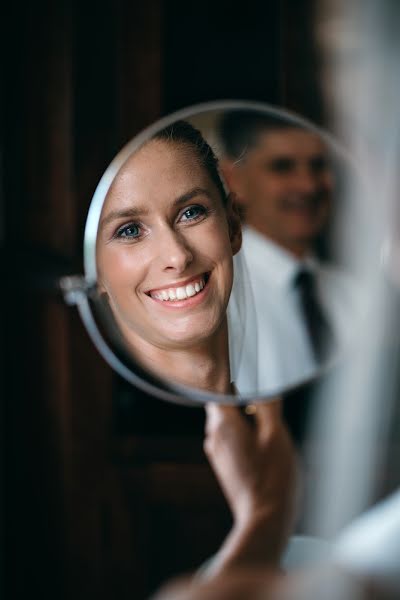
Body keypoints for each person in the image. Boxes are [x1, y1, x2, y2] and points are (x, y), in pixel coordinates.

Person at [218, 110, 361, 394]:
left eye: (318, 166)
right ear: (234, 179)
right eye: (282, 167)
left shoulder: (357, 296)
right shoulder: (217, 300)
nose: (308, 185)